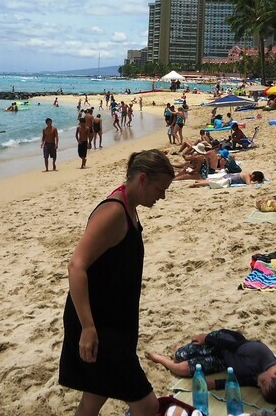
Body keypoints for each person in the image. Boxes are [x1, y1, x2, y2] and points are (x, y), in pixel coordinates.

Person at [59, 150, 175, 416]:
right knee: (146, 405)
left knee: (95, 396)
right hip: (98, 324)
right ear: (143, 179)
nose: (162, 196)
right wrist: (88, 328)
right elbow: (76, 266)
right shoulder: (114, 211)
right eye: (160, 188)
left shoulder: (130, 206)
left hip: (115, 320)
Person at [146, 328, 276, 405]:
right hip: (221, 343)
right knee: (180, 355)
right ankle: (193, 345)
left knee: (182, 369)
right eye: (261, 384)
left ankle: (160, 359)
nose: (257, 384)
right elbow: (230, 345)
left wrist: (216, 384)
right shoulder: (260, 352)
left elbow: (241, 381)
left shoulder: (267, 380)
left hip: (224, 362)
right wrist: (207, 338)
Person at [190, 170, 264, 187]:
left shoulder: (246, 173)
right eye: (255, 179)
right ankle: (196, 184)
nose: (253, 181)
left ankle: (198, 181)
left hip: (228, 176)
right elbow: (249, 184)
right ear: (253, 176)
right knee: (213, 183)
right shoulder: (247, 175)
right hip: (229, 179)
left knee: (213, 181)